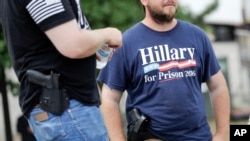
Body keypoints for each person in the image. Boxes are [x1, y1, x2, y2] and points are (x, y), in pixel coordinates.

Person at [97, 0, 230, 141]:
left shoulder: (197, 36)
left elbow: (218, 87)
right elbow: (109, 99)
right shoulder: (126, 43)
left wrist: (222, 134)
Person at [0, 0, 122, 140]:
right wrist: (107, 34)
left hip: (62, 109)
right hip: (66, 109)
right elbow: (73, 45)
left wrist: (93, 44)